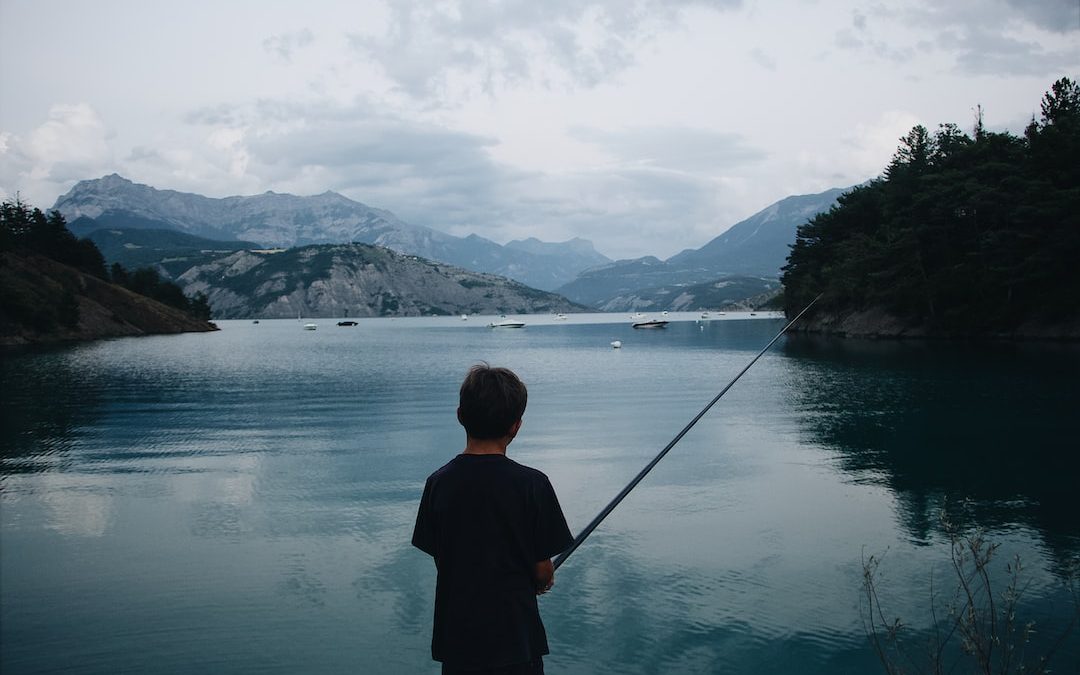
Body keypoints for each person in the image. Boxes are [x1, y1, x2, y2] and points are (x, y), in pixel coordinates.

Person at [412, 364, 573, 674]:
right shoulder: (532, 485)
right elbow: (541, 570)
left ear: (460, 415)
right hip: (516, 643)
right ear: (516, 426)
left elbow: (441, 557)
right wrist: (543, 580)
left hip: (458, 644)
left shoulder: (439, 483)